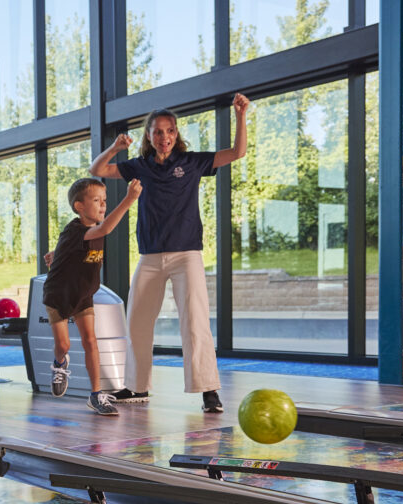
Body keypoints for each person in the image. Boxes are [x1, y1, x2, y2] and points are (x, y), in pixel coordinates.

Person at [89, 93, 249, 413]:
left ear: (177, 134)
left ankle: (208, 391)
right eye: (158, 132)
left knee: (194, 321)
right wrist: (116, 148)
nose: (164, 137)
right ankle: (136, 387)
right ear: (149, 136)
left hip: (186, 255)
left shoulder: (191, 163)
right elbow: (97, 168)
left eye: (170, 131)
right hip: (150, 256)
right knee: (136, 322)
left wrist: (241, 115)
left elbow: (237, 152)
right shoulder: (138, 167)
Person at [43, 177, 143, 415]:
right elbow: (105, 228)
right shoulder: (75, 228)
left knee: (91, 341)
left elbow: (73, 246)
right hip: (58, 295)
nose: (103, 205)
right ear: (79, 206)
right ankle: (59, 363)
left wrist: (57, 253)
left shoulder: (86, 232)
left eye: (104, 200)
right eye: (96, 200)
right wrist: (129, 199)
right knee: (63, 344)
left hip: (84, 296)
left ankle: (96, 395)